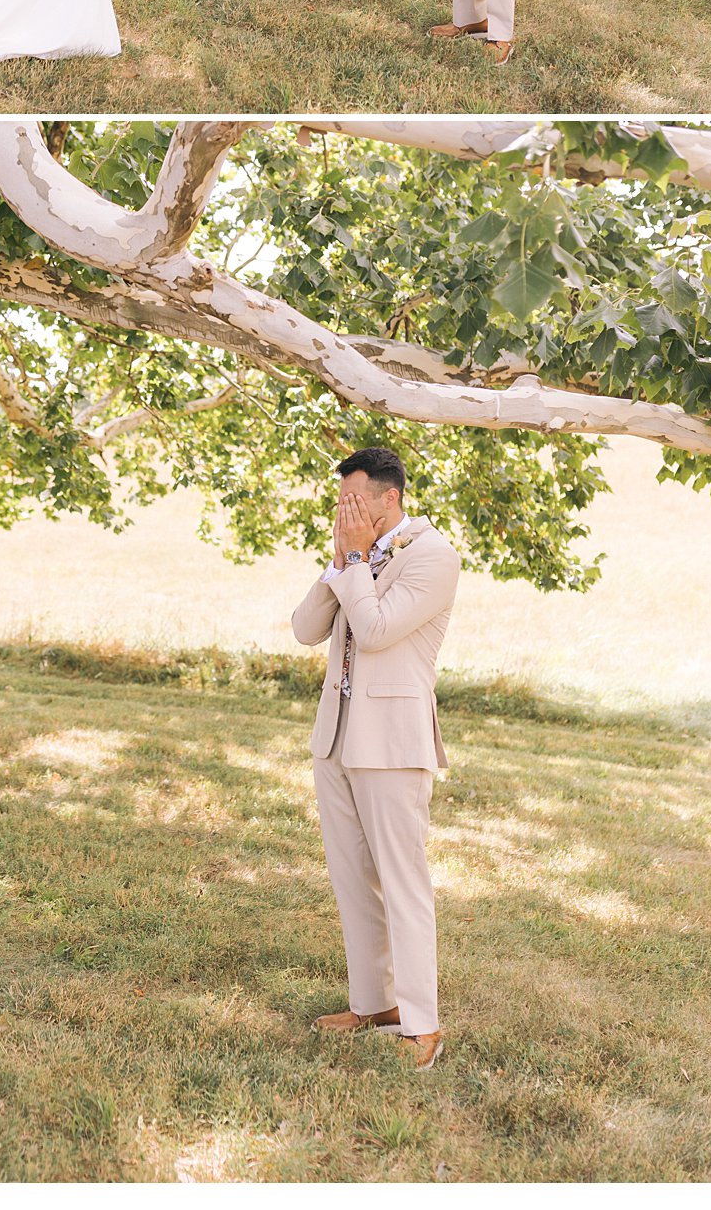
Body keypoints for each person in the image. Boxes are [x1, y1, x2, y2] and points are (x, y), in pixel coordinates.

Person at [291, 446, 461, 1071]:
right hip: (335, 739)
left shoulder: (436, 556)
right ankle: (373, 1004)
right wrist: (339, 562)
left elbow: (381, 629)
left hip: (392, 742)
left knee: (402, 880)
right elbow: (306, 629)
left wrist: (357, 561)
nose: (345, 511)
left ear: (390, 497)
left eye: (354, 501)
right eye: (341, 502)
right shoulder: (354, 556)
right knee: (350, 879)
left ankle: (422, 1022)